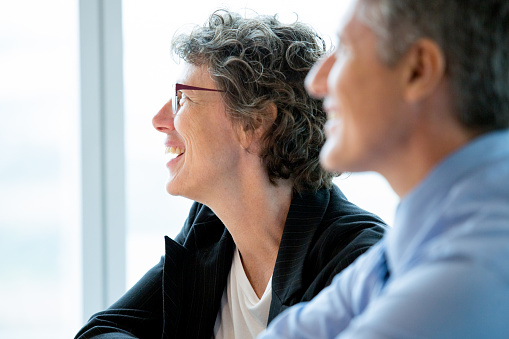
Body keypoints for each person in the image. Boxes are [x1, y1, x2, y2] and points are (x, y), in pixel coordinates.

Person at [75, 9, 387, 339]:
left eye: (182, 98)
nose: (159, 118)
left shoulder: (359, 259)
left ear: (253, 123)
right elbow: (102, 331)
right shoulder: (210, 226)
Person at [259, 0, 509, 338]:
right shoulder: (424, 234)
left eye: (345, 49)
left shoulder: (472, 273)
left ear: (417, 70)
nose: (315, 82)